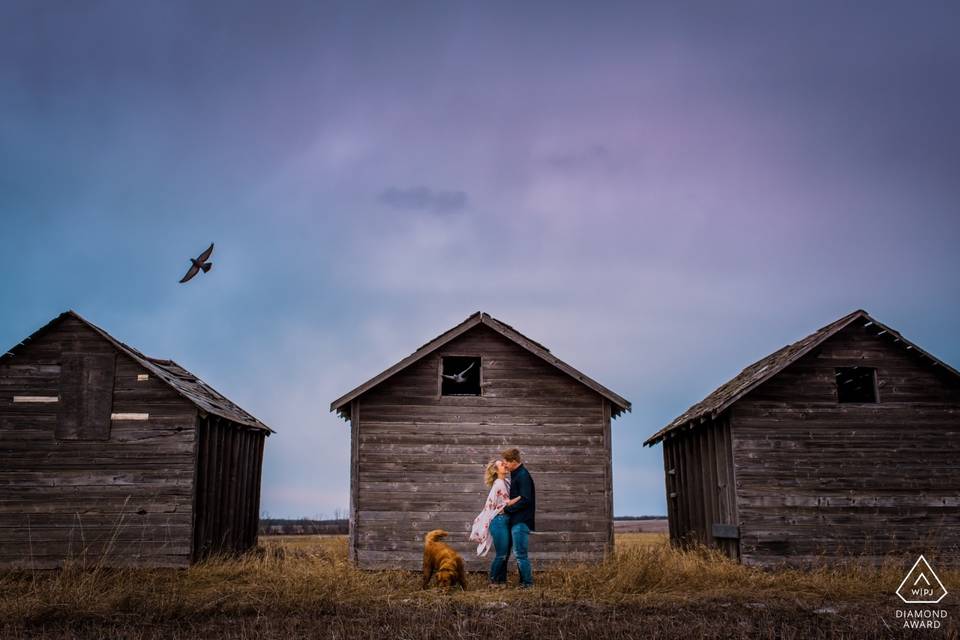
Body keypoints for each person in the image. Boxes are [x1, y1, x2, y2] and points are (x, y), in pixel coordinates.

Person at [469, 459, 519, 587]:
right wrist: (523, 496)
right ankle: (493, 581)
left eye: (504, 463)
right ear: (496, 471)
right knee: (502, 554)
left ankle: (501, 582)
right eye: (502, 465)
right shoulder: (499, 484)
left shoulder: (506, 482)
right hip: (499, 522)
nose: (505, 465)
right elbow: (508, 503)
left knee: (506, 554)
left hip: (505, 520)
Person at [501, 447, 535, 588]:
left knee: (520, 554)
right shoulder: (516, 474)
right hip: (517, 521)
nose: (505, 465)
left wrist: (507, 509)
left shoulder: (522, 475)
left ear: (514, 461)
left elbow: (526, 499)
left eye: (506, 463)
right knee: (519, 553)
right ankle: (523, 583)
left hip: (521, 521)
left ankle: (527, 584)